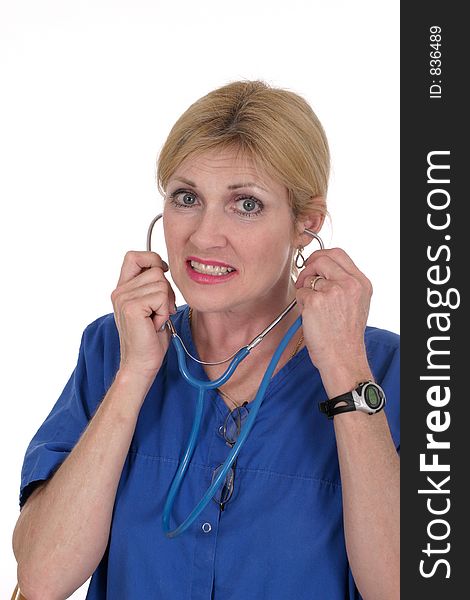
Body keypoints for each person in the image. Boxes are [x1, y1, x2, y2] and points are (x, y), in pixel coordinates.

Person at [12, 80, 399, 600]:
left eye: (246, 204)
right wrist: (133, 376)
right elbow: (40, 579)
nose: (203, 235)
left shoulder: (388, 369)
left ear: (306, 224)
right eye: (187, 197)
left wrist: (348, 374)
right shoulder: (113, 347)